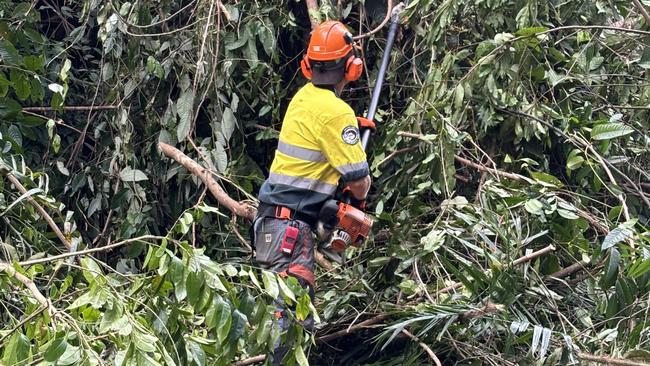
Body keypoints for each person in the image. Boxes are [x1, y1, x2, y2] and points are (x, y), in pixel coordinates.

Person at [253, 20, 374, 365]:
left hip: (270, 225)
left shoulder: (302, 98)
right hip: (290, 230)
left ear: (308, 65)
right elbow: (359, 182)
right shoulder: (337, 113)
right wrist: (350, 141)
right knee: (291, 324)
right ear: (351, 67)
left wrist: (348, 132)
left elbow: (316, 145)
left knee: (281, 316)